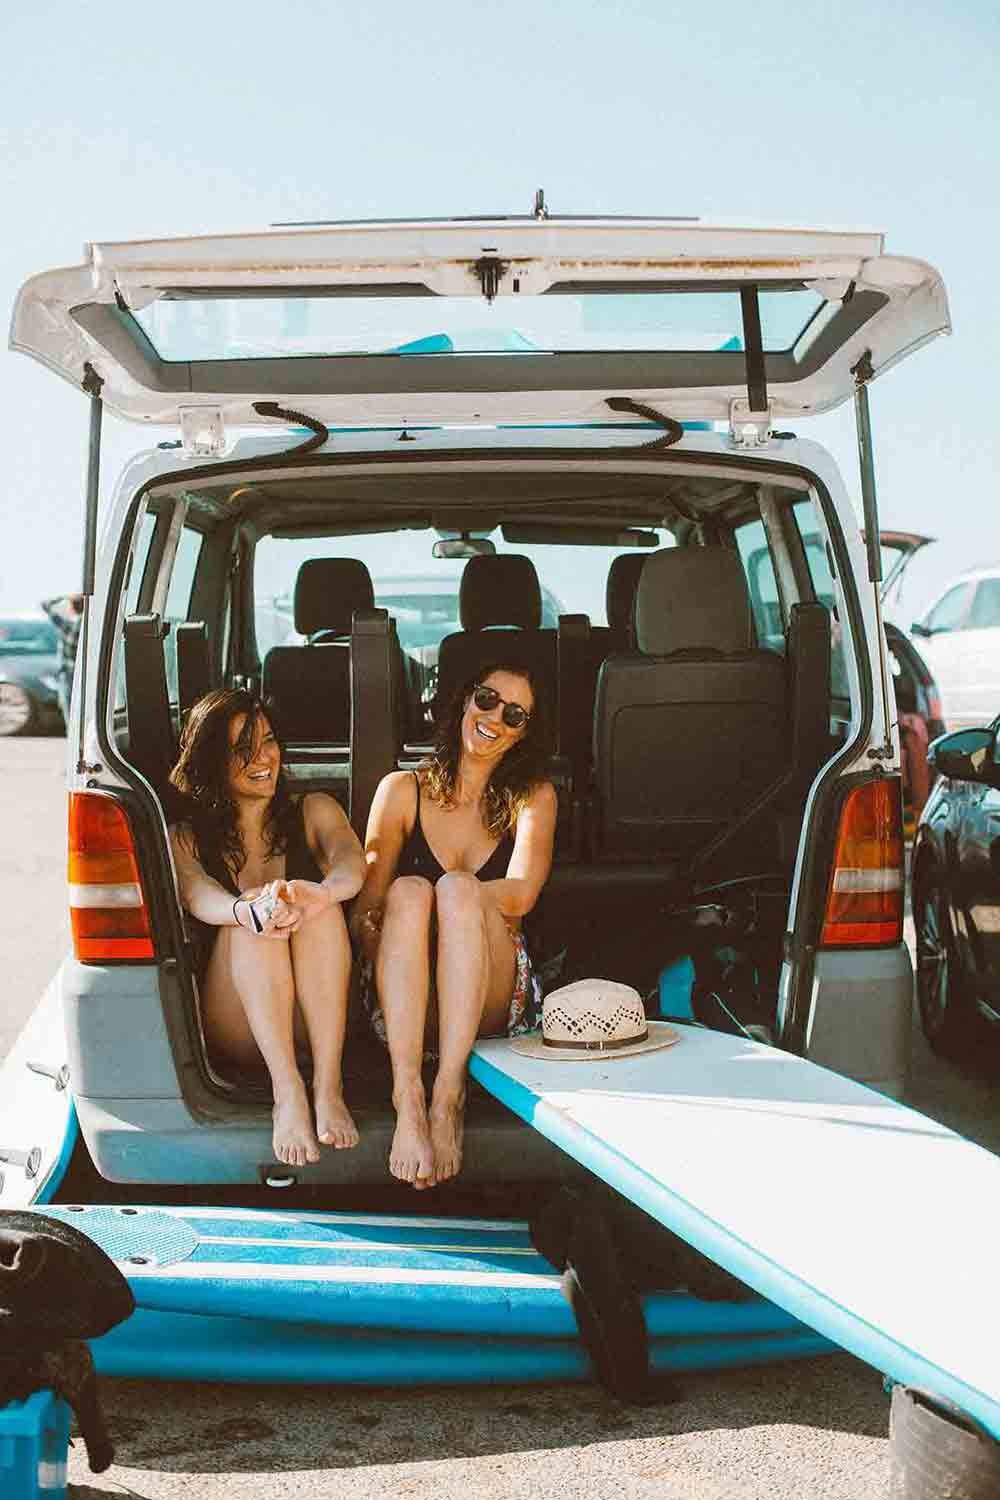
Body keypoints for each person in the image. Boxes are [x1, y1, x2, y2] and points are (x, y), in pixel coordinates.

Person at [351, 663, 557, 1190]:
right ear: (466, 700)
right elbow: (365, 912)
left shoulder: (533, 797)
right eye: (487, 699)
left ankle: (448, 1095)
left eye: (514, 715)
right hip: (408, 1006)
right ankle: (408, 1095)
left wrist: (452, 902)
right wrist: (400, 941)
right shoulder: (402, 789)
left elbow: (522, 895)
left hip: (491, 995)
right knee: (406, 891)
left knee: (458, 889)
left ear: (524, 733)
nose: (495, 718)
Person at [168, 689, 365, 1168]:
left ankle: (328, 1084)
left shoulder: (314, 809)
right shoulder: (185, 836)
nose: (263, 758)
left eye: (270, 741)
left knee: (317, 906)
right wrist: (246, 910)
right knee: (252, 914)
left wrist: (321, 894)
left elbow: (351, 863)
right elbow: (197, 895)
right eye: (243, 748)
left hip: (318, 1017)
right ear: (212, 760)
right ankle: (288, 1091)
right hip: (240, 1022)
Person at [40, 593, 83, 724]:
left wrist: (64, 597)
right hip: (83, 673)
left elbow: (45, 605)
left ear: (71, 608)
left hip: (68, 674)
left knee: (69, 712)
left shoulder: (69, 626)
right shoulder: (88, 626)